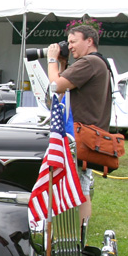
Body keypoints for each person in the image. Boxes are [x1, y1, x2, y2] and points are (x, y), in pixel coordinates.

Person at [46, 24, 112, 225]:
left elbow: (55, 85)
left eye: (74, 41)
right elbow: (65, 88)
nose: (71, 46)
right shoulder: (98, 63)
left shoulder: (89, 63)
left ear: (89, 41)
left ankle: (78, 235)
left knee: (80, 189)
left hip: (80, 137)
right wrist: (64, 64)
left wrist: (51, 59)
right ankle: (78, 232)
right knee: (81, 187)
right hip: (86, 136)